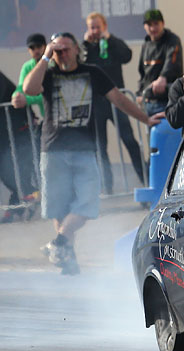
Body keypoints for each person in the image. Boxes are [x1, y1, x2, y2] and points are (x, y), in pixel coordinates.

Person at [23, 32, 161, 275]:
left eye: (66, 49)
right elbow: (29, 88)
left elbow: (119, 99)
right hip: (53, 149)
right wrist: (45, 56)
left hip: (84, 150)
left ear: (77, 49)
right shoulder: (49, 73)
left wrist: (145, 119)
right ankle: (67, 257)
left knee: (88, 203)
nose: (61, 54)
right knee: (59, 208)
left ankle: (59, 241)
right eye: (57, 51)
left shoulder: (92, 72)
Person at [83, 11, 144, 194]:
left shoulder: (112, 43)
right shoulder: (86, 47)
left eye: (98, 27)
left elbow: (127, 56)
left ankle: (145, 179)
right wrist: (86, 44)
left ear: (105, 27)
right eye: (92, 28)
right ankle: (107, 187)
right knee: (100, 147)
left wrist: (109, 39)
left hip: (117, 100)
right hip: (96, 103)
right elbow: (79, 63)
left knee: (129, 140)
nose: (95, 31)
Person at [1, 70, 39, 223]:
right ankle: (27, 198)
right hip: (5, 133)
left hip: (17, 129)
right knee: (7, 173)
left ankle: (22, 204)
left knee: (14, 170)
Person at [138, 9, 183, 116]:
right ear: (144, 26)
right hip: (148, 103)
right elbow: (142, 73)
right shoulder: (146, 44)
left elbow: (172, 62)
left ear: (163, 23)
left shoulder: (172, 40)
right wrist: (139, 93)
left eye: (156, 24)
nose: (153, 28)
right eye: (149, 25)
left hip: (168, 101)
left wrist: (163, 77)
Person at [11, 33, 46, 116]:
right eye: (32, 48)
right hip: (47, 118)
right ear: (28, 50)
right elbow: (21, 87)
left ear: (45, 47)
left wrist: (27, 100)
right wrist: (16, 97)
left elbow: (51, 93)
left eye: (38, 46)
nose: (36, 50)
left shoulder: (53, 63)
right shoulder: (27, 66)